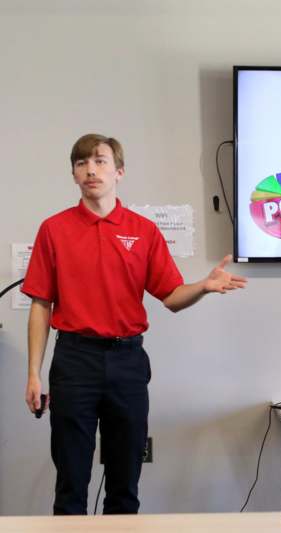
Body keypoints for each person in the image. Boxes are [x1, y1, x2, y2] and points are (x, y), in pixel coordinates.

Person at [22, 133, 247, 515]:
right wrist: (33, 374)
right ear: (74, 175)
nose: (91, 169)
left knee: (125, 483)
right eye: (81, 163)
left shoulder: (143, 231)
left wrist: (205, 287)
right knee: (71, 482)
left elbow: (173, 297)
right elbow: (41, 304)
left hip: (127, 361)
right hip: (74, 360)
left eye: (100, 161)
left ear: (119, 171)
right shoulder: (53, 229)